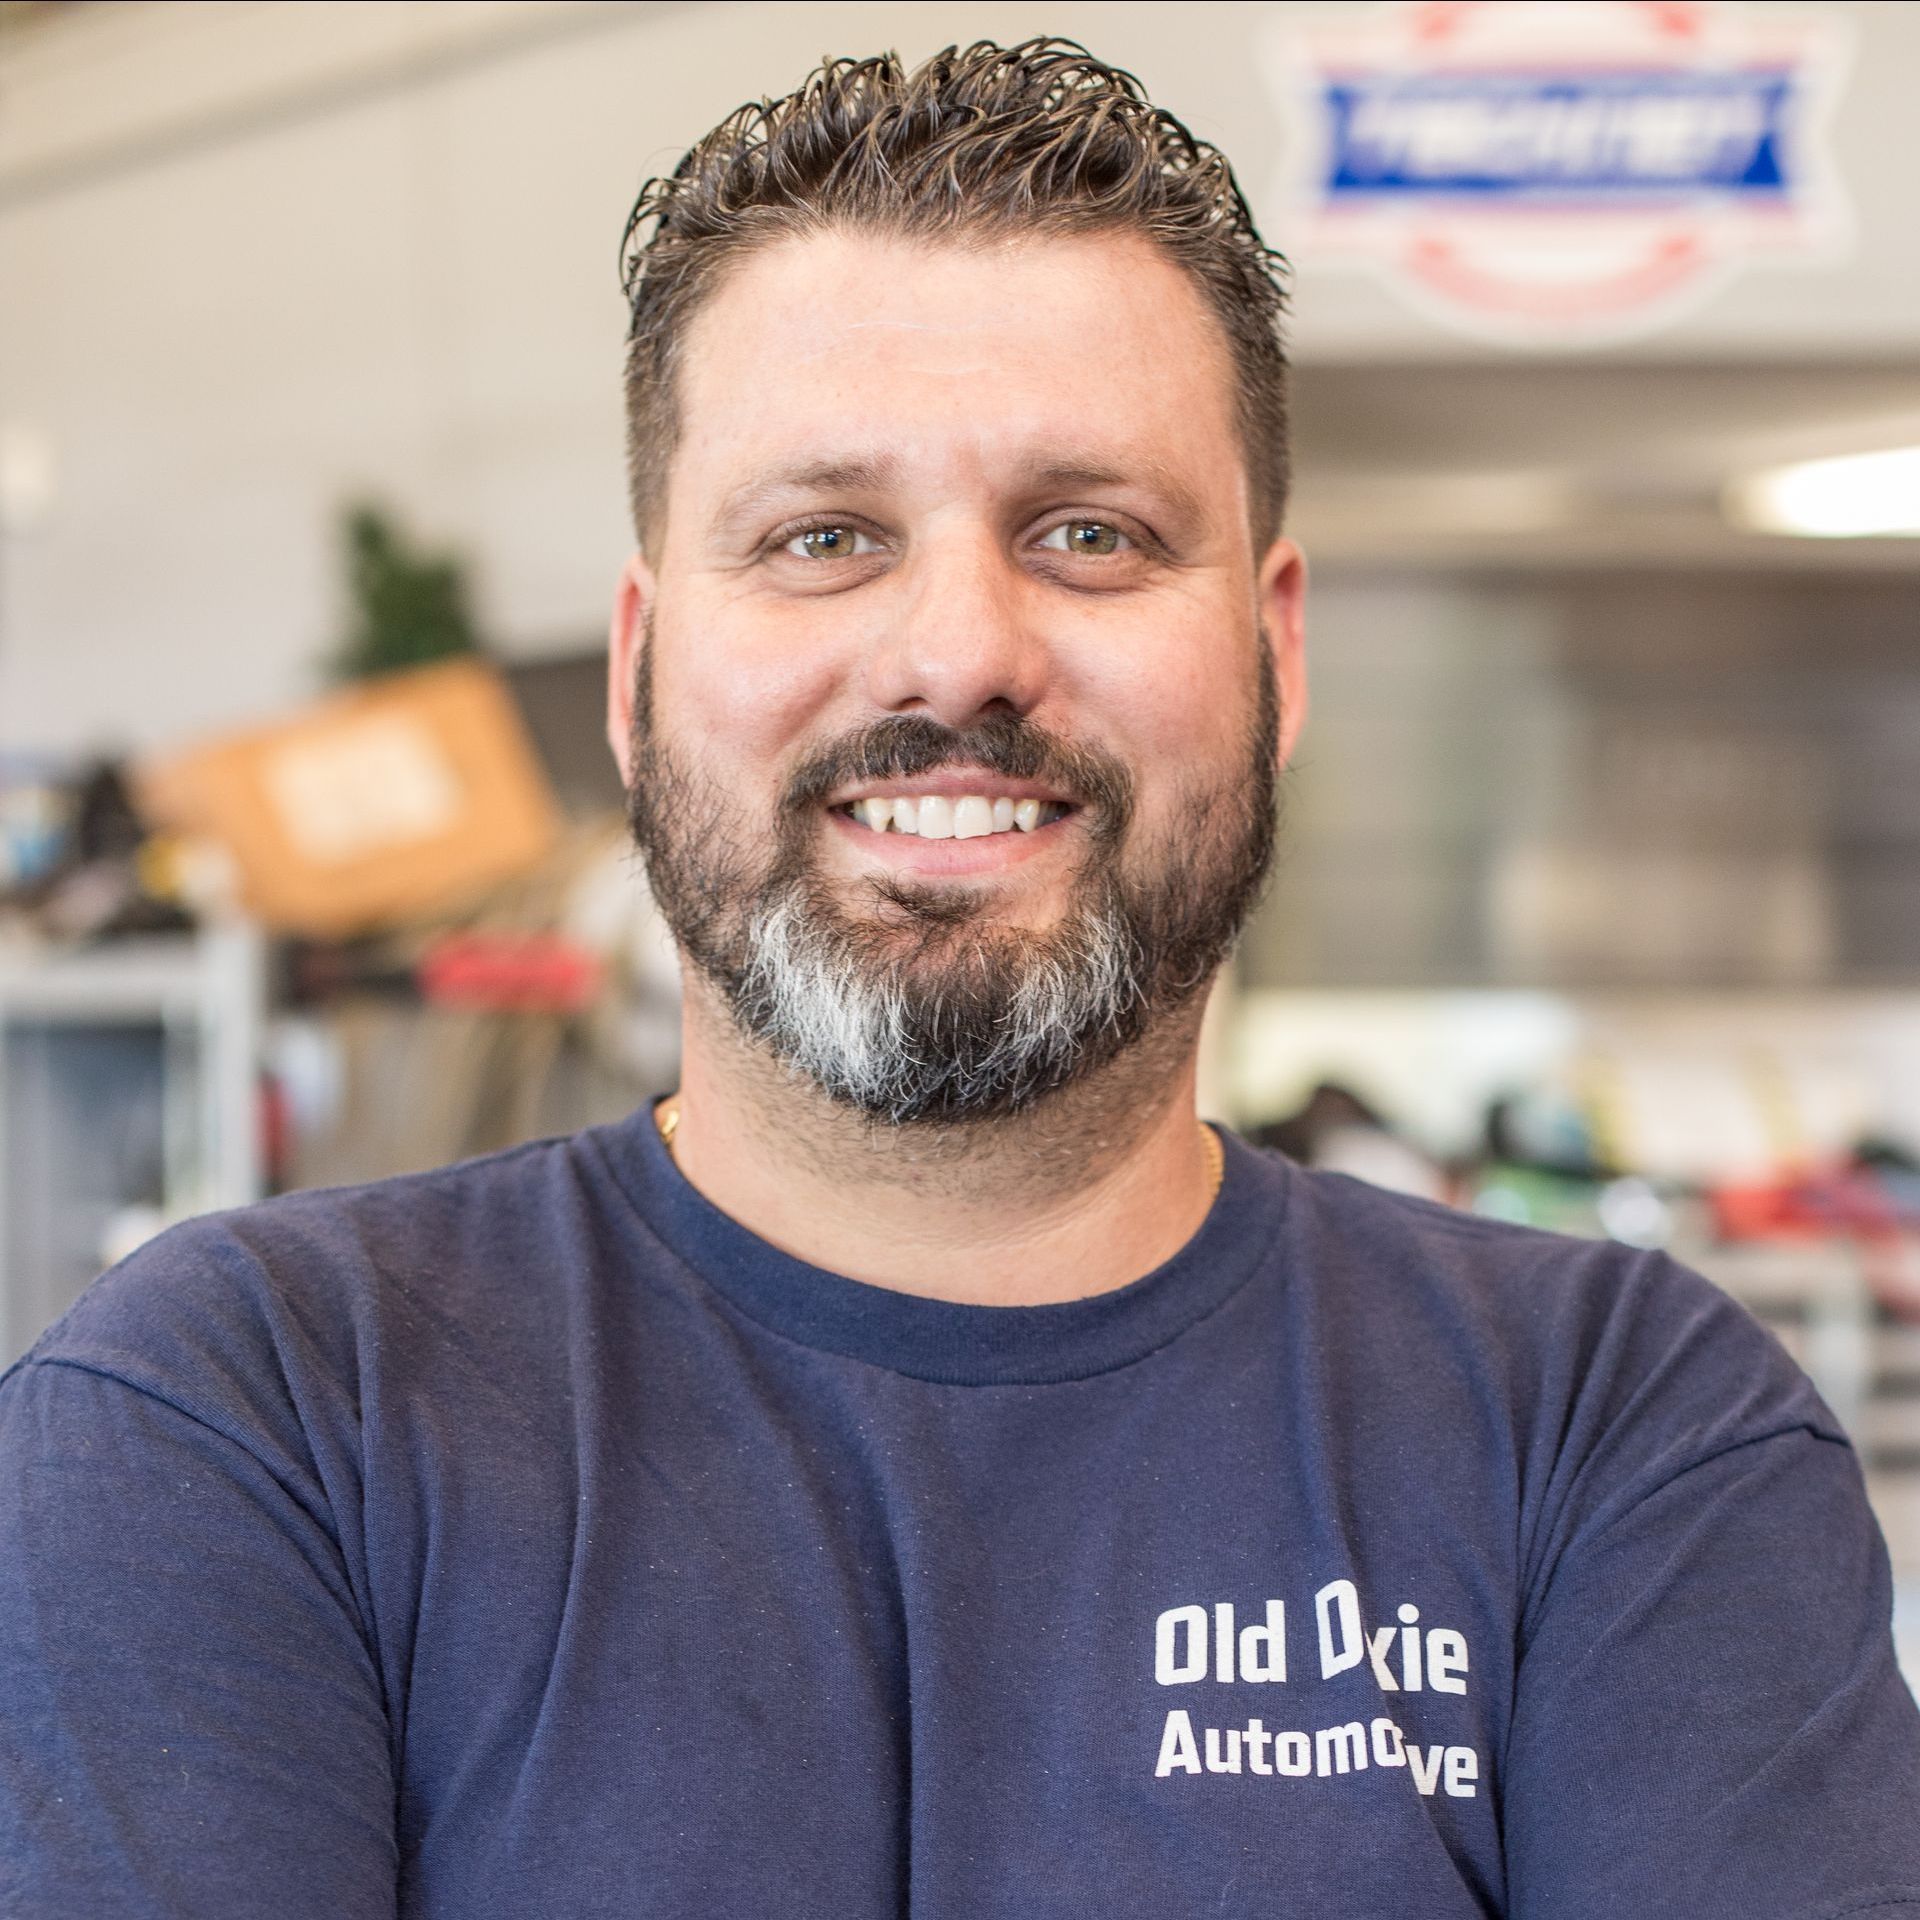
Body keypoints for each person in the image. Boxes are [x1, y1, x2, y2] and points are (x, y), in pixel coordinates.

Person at [2, 38, 1917, 1919]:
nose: (958, 654)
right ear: (641, 670)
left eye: (1089, 535)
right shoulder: (241, 1422)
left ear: (1275, 656)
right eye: (824, 537)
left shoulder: (1618, 1434)